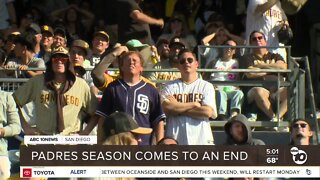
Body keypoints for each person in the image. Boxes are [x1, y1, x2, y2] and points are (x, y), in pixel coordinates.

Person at [13, 46, 98, 135]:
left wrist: (86, 132)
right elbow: (13, 102)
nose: (59, 62)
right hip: (44, 139)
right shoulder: (37, 81)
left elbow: (96, 111)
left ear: (69, 62)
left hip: (71, 140)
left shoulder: (81, 85)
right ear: (50, 63)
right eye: (55, 59)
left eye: (63, 59)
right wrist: (25, 126)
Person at [92, 51, 165, 145]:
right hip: (118, 143)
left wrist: (161, 145)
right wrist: (100, 142)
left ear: (141, 68)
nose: (131, 62)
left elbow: (158, 120)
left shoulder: (151, 90)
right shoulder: (113, 88)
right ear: (121, 67)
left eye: (135, 60)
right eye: (128, 60)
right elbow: (102, 118)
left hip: (143, 143)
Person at [160, 49, 217, 145]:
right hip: (175, 141)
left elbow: (207, 112)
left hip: (201, 140)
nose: (186, 62)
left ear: (196, 64)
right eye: (182, 61)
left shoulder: (206, 86)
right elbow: (167, 108)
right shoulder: (169, 86)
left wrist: (177, 106)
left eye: (190, 60)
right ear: (178, 65)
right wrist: (194, 104)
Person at [240, 31, 287, 122]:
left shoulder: (275, 56)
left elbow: (283, 67)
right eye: (254, 39)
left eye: (260, 38)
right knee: (258, 91)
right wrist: (273, 71)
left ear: (265, 41)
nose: (257, 40)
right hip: (255, 92)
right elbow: (250, 73)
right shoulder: (246, 58)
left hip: (276, 90)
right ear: (250, 43)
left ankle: (276, 119)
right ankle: (275, 119)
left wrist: (260, 66)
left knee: (289, 91)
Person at [204, 40, 244, 119]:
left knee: (239, 93)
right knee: (221, 93)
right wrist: (211, 86)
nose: (229, 49)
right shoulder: (214, 62)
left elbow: (241, 77)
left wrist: (238, 85)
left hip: (231, 88)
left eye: (232, 48)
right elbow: (205, 76)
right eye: (227, 46)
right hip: (217, 88)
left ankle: (234, 114)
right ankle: (222, 115)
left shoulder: (238, 62)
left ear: (234, 51)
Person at [0, 90, 21, 179]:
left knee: (4, 173)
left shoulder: (6, 97)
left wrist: (2, 131)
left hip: (0, 150)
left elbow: (16, 127)